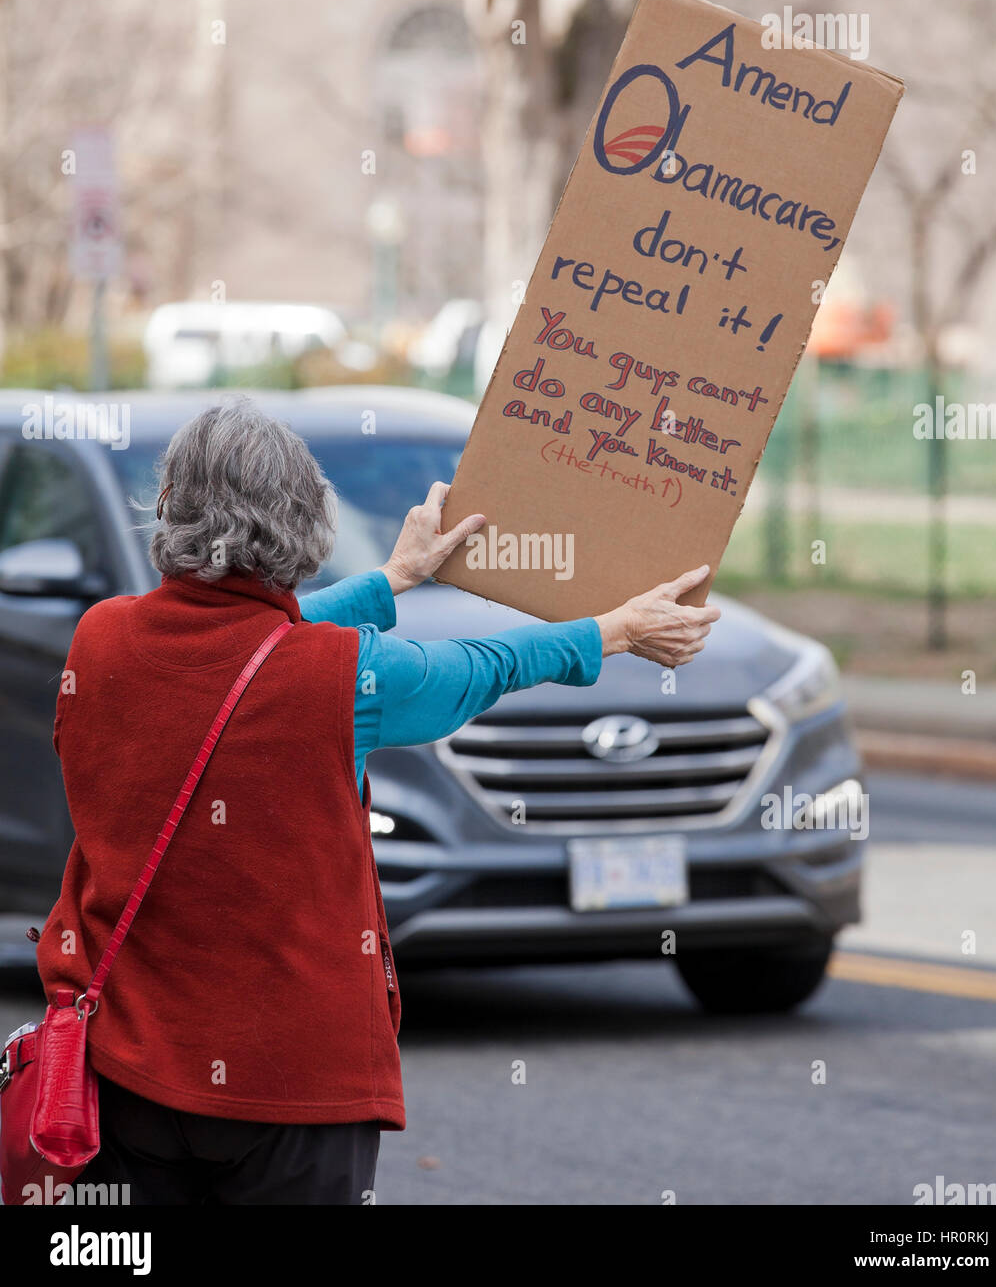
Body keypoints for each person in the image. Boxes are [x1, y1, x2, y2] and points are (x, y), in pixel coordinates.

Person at [37, 398, 720, 1204]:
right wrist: (611, 630)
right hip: (294, 1087)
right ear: (303, 522)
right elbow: (476, 664)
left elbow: (241, 647)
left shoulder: (101, 638)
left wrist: (391, 581)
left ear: (169, 512)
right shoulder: (343, 678)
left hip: (123, 1068)